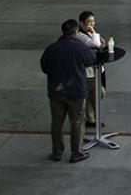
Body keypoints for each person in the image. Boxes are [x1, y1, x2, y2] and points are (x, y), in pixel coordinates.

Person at [39, 18, 97, 162]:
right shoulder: (80, 48)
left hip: (56, 92)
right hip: (76, 92)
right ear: (77, 32)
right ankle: (76, 152)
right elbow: (91, 59)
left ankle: (57, 152)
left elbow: (45, 67)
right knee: (77, 122)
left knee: (56, 122)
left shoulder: (51, 48)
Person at [74, 11, 105, 133]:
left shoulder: (88, 33)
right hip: (88, 72)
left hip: (96, 69)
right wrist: (93, 31)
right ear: (81, 24)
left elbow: (102, 44)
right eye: (88, 22)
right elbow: (96, 43)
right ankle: (91, 118)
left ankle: (91, 118)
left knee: (95, 94)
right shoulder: (80, 36)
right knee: (97, 93)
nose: (91, 24)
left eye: (93, 21)